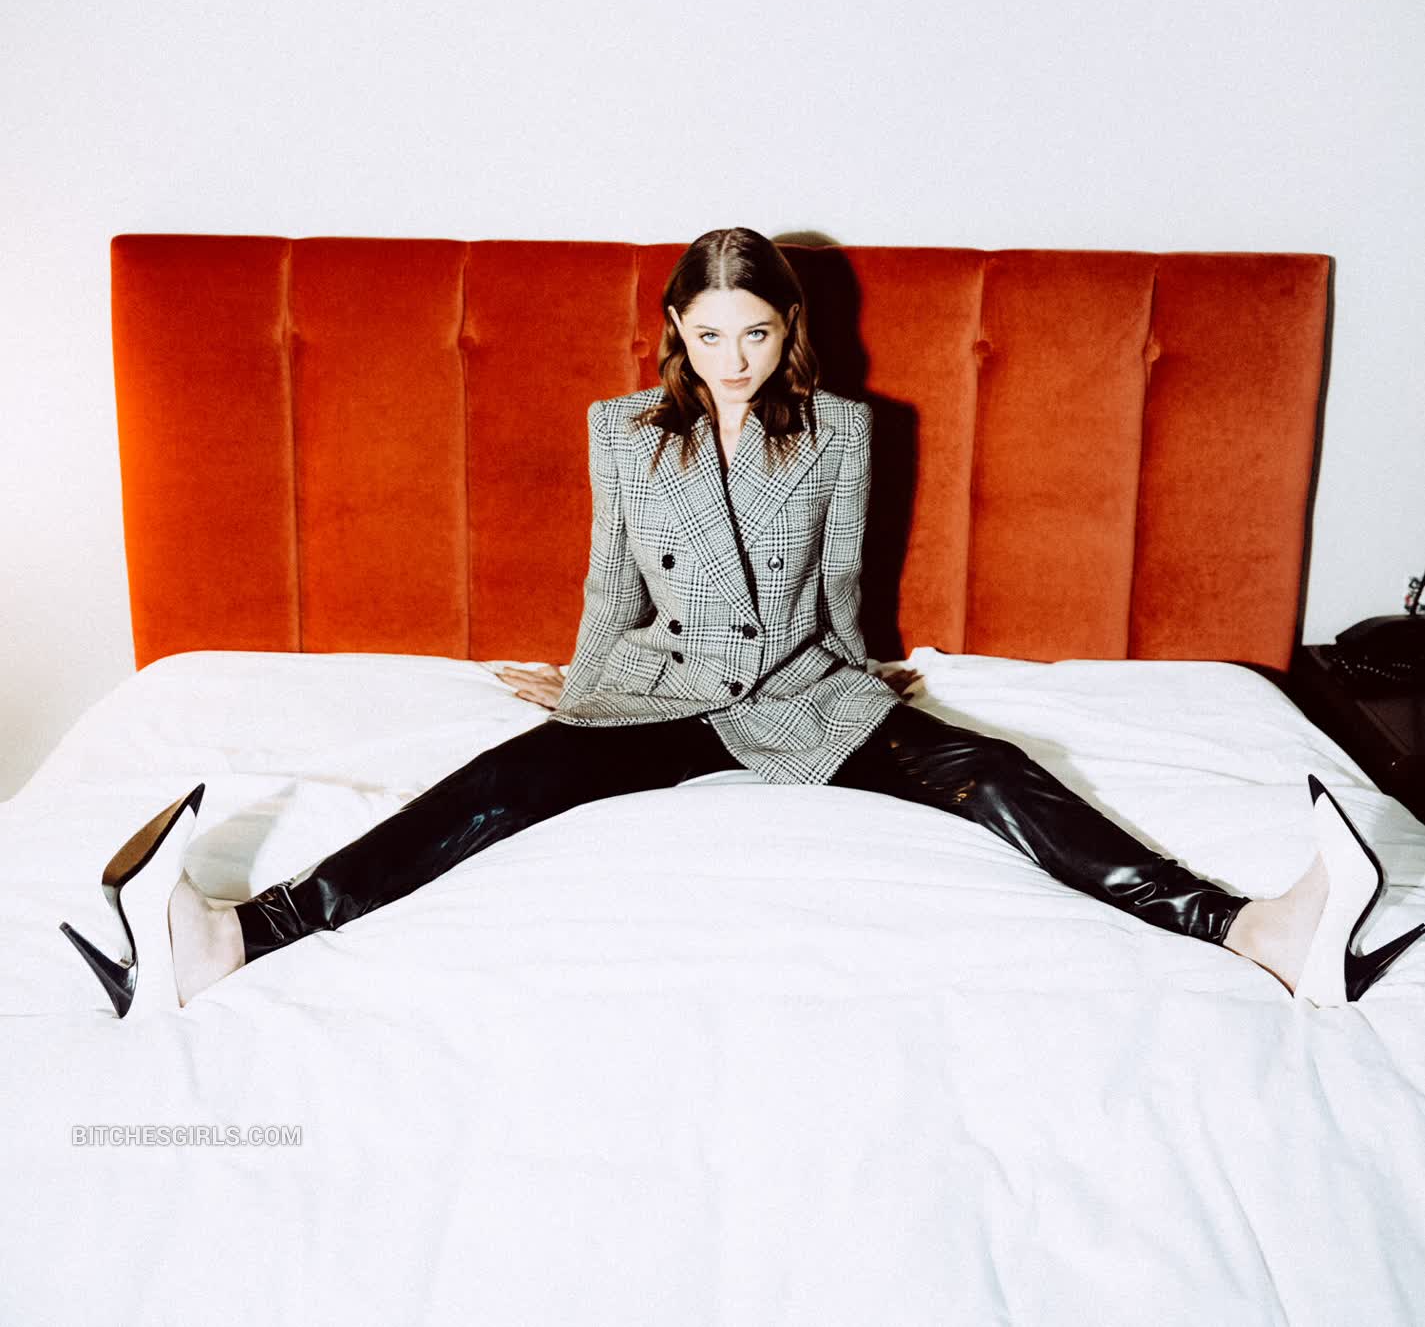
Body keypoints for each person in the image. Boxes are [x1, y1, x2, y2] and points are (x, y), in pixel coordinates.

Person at [61, 228, 1423, 1020]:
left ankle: (1251, 930)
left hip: (804, 690)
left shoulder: (843, 432)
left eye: (755, 336)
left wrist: (870, 682)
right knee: (493, 788)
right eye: (708, 337)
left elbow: (841, 587)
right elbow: (612, 583)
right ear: (675, 328)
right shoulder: (621, 433)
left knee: (993, 772)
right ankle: (235, 939)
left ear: (788, 330)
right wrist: (583, 682)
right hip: (658, 686)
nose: (732, 360)